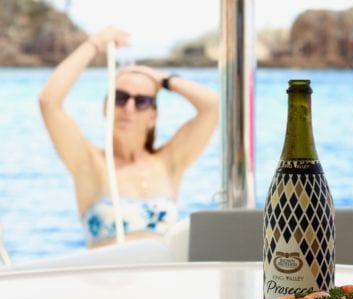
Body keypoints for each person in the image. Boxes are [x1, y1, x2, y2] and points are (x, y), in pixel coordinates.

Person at [39, 27, 219, 248]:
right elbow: (49, 101)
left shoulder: (169, 162)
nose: (129, 108)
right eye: (120, 97)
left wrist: (162, 79)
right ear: (106, 107)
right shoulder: (89, 163)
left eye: (142, 101)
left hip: (161, 271)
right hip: (106, 271)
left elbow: (213, 106)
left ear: (153, 116)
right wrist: (95, 44)